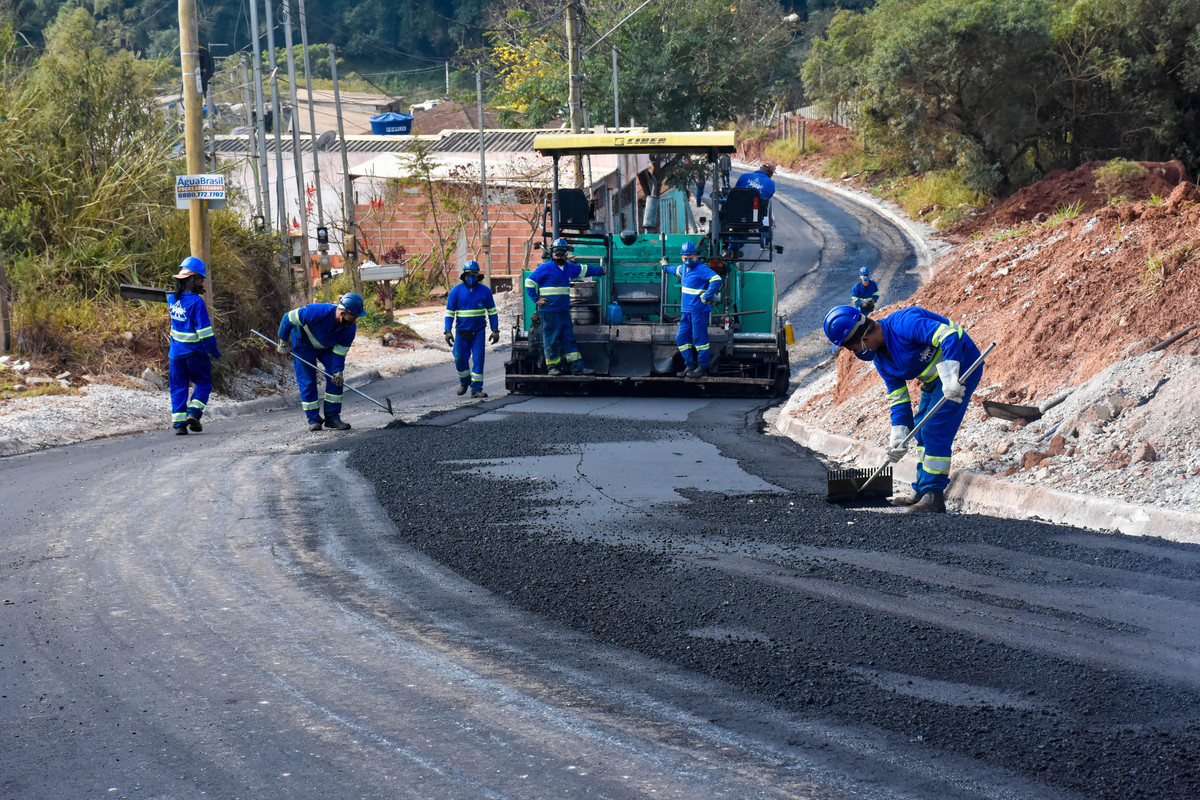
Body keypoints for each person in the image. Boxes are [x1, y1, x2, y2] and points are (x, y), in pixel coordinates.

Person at [824, 304, 983, 513]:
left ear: (862, 338)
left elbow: (948, 335)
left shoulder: (904, 324)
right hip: (934, 380)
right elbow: (898, 398)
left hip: (963, 366)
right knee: (920, 428)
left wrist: (951, 377)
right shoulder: (882, 361)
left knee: (934, 429)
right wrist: (899, 435)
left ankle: (933, 496)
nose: (856, 353)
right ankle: (921, 490)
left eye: (853, 348)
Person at [277, 292, 363, 432]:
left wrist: (338, 371)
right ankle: (313, 420)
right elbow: (288, 318)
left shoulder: (350, 329)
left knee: (335, 378)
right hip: (303, 345)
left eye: (356, 318)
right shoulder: (317, 312)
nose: (354, 321)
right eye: (352, 317)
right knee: (307, 380)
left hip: (325, 347)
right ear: (342, 312)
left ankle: (332, 417)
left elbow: (339, 353)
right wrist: (283, 341)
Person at [524, 238, 605, 376]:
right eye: (557, 254)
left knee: (568, 338)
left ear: (566, 254)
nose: (559, 257)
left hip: (563, 311)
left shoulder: (569, 268)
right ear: (552, 254)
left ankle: (577, 368)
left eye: (562, 254)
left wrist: (600, 270)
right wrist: (536, 299)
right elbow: (529, 281)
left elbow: (585, 269)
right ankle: (553, 367)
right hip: (549, 311)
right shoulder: (545, 268)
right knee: (551, 339)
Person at [167, 256, 220, 435]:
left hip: (176, 354)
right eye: (200, 279)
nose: (201, 283)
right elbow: (205, 332)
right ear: (191, 279)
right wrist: (215, 351)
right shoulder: (197, 302)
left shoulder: (171, 299)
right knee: (204, 383)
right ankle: (194, 413)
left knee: (178, 386)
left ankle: (180, 425)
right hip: (196, 353)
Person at [661, 241, 723, 378]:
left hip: (699, 311)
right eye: (685, 258)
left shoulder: (701, 269)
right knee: (681, 338)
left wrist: (706, 296)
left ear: (695, 256)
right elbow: (673, 270)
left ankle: (702, 367)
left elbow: (717, 279)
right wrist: (664, 266)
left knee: (699, 340)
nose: (687, 260)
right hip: (687, 312)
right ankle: (690, 366)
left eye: (690, 257)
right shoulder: (683, 269)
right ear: (682, 257)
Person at [444, 260, 500, 398]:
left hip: (478, 332)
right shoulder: (455, 291)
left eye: (474, 274)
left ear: (478, 276)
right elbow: (449, 313)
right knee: (459, 357)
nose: (471, 277)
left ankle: (476, 389)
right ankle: (464, 381)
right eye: (468, 274)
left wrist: (495, 330)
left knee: (478, 359)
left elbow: (492, 312)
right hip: (462, 332)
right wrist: (447, 331)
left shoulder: (485, 291)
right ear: (464, 274)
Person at [734, 162, 776, 247]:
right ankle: (735, 248)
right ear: (770, 174)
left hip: (736, 213)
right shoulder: (771, 184)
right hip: (754, 216)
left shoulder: (744, 176)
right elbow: (766, 199)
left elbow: (735, 192)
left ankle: (732, 248)